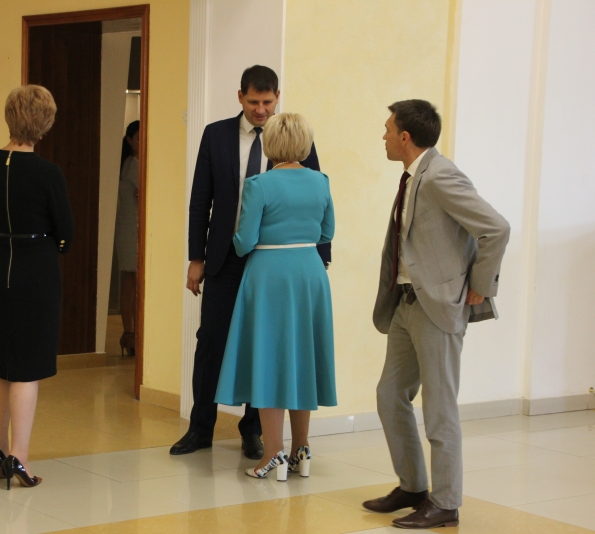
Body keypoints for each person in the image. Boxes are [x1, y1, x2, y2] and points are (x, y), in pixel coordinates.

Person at [363, 100, 509, 529]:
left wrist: (481, 285)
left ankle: (445, 503)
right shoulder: (413, 176)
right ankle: (413, 487)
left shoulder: (441, 175)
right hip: (406, 304)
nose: (384, 136)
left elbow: (496, 228)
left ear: (405, 136)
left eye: (388, 129)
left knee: (440, 408)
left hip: (436, 308)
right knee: (390, 394)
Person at [172, 65, 326, 460]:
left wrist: (319, 260)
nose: (261, 110)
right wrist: (196, 257)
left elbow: (315, 199)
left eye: (268, 102)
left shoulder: (294, 139)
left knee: (266, 346)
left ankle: (253, 431)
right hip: (224, 259)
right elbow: (200, 201)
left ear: (278, 98)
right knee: (211, 341)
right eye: (254, 102)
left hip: (272, 264)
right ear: (240, 96)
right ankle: (200, 427)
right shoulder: (216, 135)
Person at [215, 113, 336, 480]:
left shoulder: (260, 184)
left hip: (269, 275)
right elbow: (327, 232)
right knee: (302, 359)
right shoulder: (320, 181)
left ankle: (273, 454)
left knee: (268, 360)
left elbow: (245, 242)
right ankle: (302, 449)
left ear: (270, 144)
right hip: (309, 273)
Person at [0, 85, 74, 489]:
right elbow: (65, 232)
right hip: (36, 270)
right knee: (27, 368)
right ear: (45, 122)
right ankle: (19, 458)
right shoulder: (49, 173)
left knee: (0, 364)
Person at [114, 120, 140, 356]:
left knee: (132, 281)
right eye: (138, 138)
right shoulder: (133, 165)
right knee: (132, 281)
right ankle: (131, 333)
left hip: (132, 229)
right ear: (130, 140)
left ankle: (131, 334)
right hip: (132, 230)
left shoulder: (130, 164)